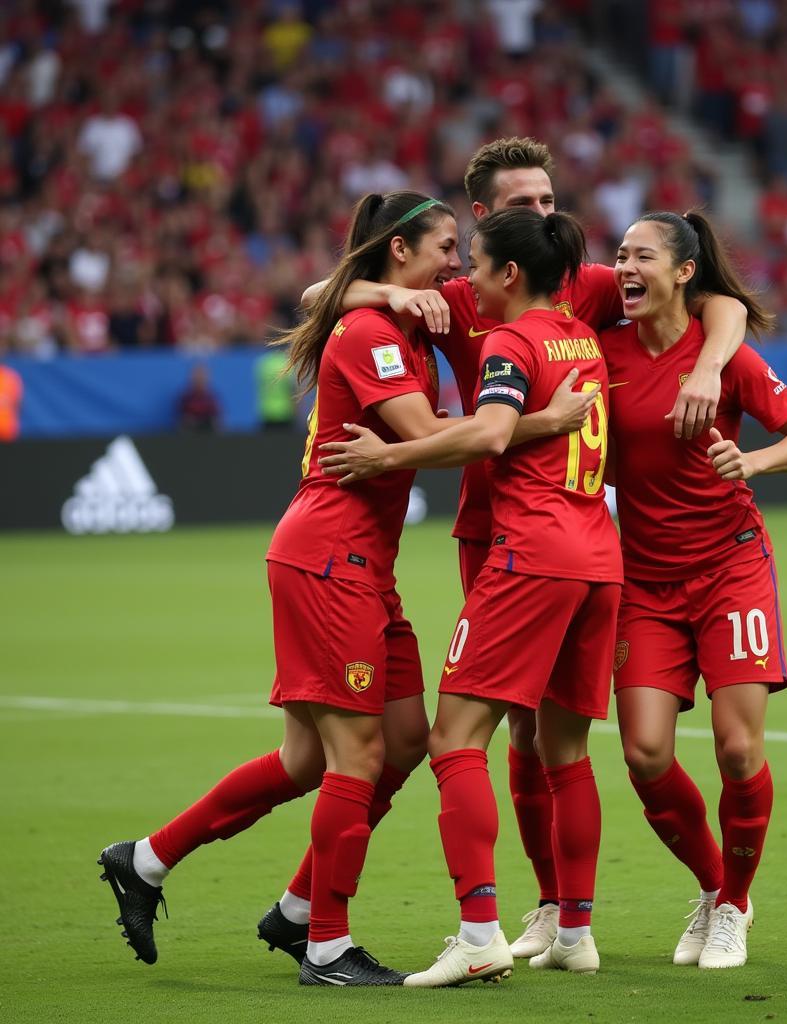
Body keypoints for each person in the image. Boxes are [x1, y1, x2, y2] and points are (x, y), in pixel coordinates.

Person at [304, 136, 749, 959]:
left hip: (526, 536)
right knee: (537, 737)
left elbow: (717, 295)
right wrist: (387, 294)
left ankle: (488, 925)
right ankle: (561, 917)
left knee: (476, 733)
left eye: (548, 201)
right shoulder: (468, 287)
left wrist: (710, 367)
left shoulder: (554, 287)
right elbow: (321, 293)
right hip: (561, 538)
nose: (545, 215)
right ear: (483, 218)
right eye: (524, 205)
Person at [98, 190, 469, 987]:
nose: (457, 259)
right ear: (401, 251)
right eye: (445, 244)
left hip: (363, 564)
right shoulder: (370, 331)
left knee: (373, 747)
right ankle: (326, 946)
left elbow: (329, 291)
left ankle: (152, 862)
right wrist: (530, 425)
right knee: (358, 754)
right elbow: (429, 439)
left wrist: (387, 291)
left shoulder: (401, 317)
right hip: (330, 559)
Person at [321, 208, 622, 985]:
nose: (469, 283)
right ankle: (575, 932)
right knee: (567, 752)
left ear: (510, 274)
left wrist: (391, 457)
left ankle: (480, 929)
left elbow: (489, 435)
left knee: (454, 741)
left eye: (478, 266)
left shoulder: (511, 342)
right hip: (598, 555)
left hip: (532, 555)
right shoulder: (580, 335)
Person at [602, 210, 787, 969]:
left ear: (683, 272)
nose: (623, 267)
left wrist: (755, 463)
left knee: (737, 750)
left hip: (731, 567)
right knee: (643, 752)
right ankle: (714, 887)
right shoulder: (605, 352)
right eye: (619, 255)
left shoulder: (726, 355)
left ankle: (734, 906)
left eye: (640, 255)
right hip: (644, 580)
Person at [176, 363, 221, 432]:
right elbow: (182, 417)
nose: (199, 379)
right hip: (191, 429)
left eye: (202, 377)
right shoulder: (186, 397)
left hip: (208, 429)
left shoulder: (211, 397)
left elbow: (216, 417)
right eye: (197, 376)